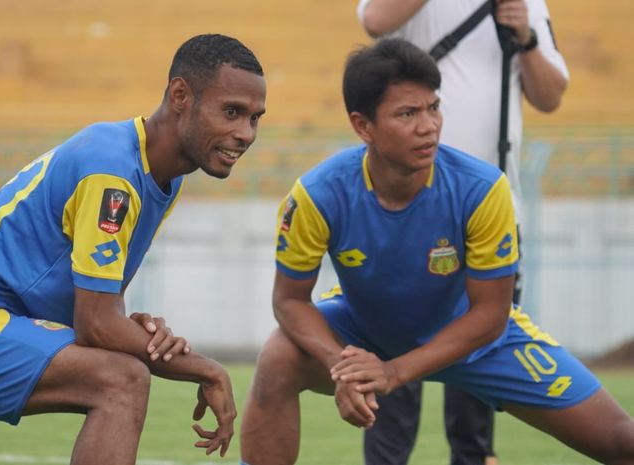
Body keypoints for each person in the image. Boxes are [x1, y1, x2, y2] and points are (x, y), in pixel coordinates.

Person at [238, 38, 634, 465]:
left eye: (433, 107)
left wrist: (393, 372)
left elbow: (490, 316)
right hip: (365, 332)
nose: (428, 126)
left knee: (620, 442)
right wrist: (343, 368)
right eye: (407, 113)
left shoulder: (482, 190)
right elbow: (289, 300)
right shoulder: (316, 196)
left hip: (476, 341)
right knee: (278, 357)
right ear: (363, 125)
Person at [0, 33, 266, 465]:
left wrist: (131, 328)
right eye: (232, 112)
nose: (245, 133)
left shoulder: (158, 175)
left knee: (122, 367)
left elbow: (100, 306)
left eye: (255, 118)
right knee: (121, 381)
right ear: (180, 94)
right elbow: (94, 324)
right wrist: (207, 369)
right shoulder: (115, 175)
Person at [355, 0, 569, 463]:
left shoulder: (523, 4)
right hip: (407, 208)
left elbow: (551, 96)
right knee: (394, 360)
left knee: (478, 357)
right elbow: (374, 21)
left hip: (489, 209)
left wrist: (526, 39)